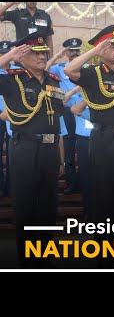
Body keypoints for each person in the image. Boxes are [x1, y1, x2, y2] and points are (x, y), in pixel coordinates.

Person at [63, 25, 114, 268]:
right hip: (105, 140)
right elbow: (68, 69)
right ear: (101, 50)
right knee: (103, 197)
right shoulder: (94, 72)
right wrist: (94, 51)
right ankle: (103, 252)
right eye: (112, 46)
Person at [0, 31, 65, 268]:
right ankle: (27, 260)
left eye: (43, 52)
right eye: (36, 53)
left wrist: (59, 153)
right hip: (25, 147)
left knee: (49, 204)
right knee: (26, 204)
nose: (42, 56)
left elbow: (55, 120)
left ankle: (45, 254)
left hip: (49, 148)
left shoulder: (53, 81)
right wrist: (9, 56)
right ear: (22, 56)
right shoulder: (12, 79)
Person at [68, 88, 114, 223]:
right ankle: (98, 223)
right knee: (100, 190)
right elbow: (75, 109)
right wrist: (92, 96)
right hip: (99, 150)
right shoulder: (98, 111)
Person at [48, 38, 84, 195]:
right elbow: (44, 70)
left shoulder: (87, 67)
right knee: (68, 149)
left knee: (84, 148)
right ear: (66, 52)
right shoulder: (58, 68)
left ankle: (85, 181)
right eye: (71, 50)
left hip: (85, 112)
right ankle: (71, 183)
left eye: (77, 50)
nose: (75, 53)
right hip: (67, 112)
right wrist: (57, 56)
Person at [0, 40, 18, 198]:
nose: (5, 56)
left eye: (7, 54)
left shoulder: (18, 71)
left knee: (14, 151)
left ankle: (12, 186)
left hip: (14, 114)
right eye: (2, 54)